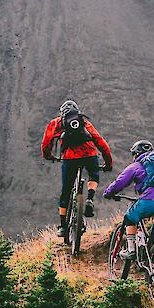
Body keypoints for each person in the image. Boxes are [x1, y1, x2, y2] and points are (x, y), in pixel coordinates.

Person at [40, 100, 113, 238]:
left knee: (66, 191)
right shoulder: (83, 122)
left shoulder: (57, 123)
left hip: (69, 158)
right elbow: (100, 141)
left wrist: (48, 156)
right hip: (89, 155)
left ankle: (62, 226)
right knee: (93, 174)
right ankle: (89, 199)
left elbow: (46, 142)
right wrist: (108, 163)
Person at [104, 140, 154, 258]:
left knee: (129, 218)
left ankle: (131, 249)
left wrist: (109, 193)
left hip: (148, 201)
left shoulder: (136, 166)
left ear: (136, 154)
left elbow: (120, 182)